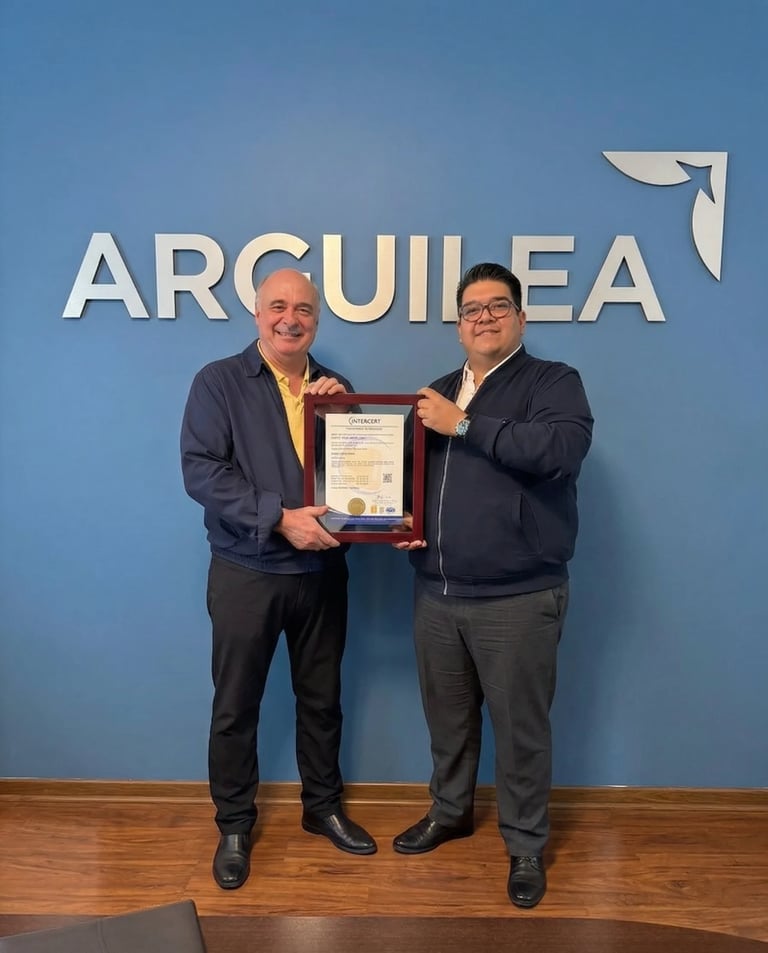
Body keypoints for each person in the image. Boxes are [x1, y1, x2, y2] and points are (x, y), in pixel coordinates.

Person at [393, 262, 593, 908]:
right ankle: (450, 811)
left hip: (519, 596)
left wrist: (466, 425)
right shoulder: (437, 392)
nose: (484, 317)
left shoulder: (553, 383)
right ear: (458, 326)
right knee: (447, 723)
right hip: (437, 594)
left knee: (520, 729)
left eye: (497, 306)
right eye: (471, 309)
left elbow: (559, 451)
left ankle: (526, 842)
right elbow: (409, 478)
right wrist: (402, 523)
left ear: (521, 318)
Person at [181, 268, 376, 891]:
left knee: (322, 700)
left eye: (304, 309)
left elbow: (360, 478)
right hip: (247, 571)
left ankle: (322, 809)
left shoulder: (336, 388)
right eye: (277, 306)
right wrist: (278, 520)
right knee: (235, 706)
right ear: (257, 313)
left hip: (323, 572)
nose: (290, 318)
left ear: (317, 319)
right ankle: (234, 824)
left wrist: (383, 518)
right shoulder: (218, 382)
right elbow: (202, 471)